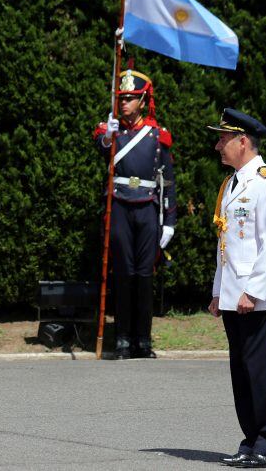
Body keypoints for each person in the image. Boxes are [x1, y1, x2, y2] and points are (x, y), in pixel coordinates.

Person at [207, 108, 266, 468]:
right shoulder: (232, 183)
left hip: (259, 298)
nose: (217, 145)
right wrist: (217, 291)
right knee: (241, 372)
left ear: (243, 141)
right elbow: (226, 244)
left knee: (261, 371)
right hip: (232, 296)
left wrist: (252, 292)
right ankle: (252, 439)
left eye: (223, 138)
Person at [94, 69, 176, 359]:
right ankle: (123, 340)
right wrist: (109, 136)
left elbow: (167, 180)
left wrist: (170, 221)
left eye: (130, 98)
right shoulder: (112, 132)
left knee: (144, 276)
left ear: (143, 100)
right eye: (122, 98)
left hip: (147, 208)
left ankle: (144, 341)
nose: (124, 103)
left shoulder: (156, 135)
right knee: (124, 275)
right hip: (119, 205)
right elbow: (102, 147)